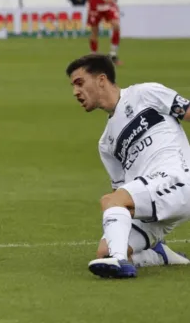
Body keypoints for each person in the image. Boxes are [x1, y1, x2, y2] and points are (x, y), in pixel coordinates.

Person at [66, 54, 190, 279]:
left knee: (110, 203)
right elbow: (121, 191)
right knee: (105, 251)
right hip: (153, 200)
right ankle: (158, 255)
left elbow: (188, 112)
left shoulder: (144, 94)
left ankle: (120, 261)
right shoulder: (106, 143)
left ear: (101, 79)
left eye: (79, 83)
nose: (75, 92)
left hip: (178, 179)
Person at [85, 0, 121, 65]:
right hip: (95, 4)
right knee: (94, 30)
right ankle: (93, 56)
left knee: (116, 25)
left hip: (108, 3)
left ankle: (113, 54)